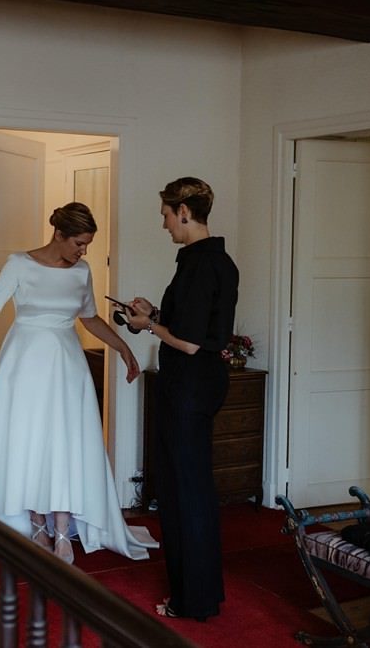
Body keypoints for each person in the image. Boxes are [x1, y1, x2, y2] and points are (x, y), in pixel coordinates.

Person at [0, 202, 159, 563]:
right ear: (59, 234)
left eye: (87, 245)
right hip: (25, 363)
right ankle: (36, 524)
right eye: (79, 243)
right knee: (30, 439)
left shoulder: (81, 271)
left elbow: (91, 318)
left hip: (67, 364)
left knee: (65, 442)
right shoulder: (19, 263)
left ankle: (63, 530)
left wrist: (124, 349)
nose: (83, 251)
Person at [122, 177, 238, 620]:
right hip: (201, 383)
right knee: (192, 489)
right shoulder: (216, 261)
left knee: (183, 492)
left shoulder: (198, 265)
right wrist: (154, 314)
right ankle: (200, 594)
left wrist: (149, 326)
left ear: (185, 211)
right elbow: (199, 325)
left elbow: (189, 342)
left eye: (167, 215)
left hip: (188, 385)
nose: (165, 224)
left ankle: (192, 600)